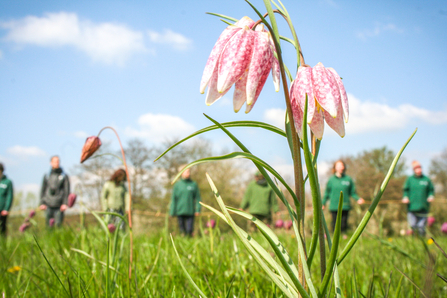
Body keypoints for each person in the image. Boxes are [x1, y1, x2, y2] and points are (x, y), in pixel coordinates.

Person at [322, 160, 364, 233]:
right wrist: (323, 203)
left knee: (344, 223)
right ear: (335, 167)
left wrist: (358, 199)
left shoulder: (348, 179)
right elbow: (327, 193)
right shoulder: (331, 180)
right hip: (334, 206)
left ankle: (343, 237)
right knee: (335, 223)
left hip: (345, 205)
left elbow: (352, 192)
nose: (341, 167)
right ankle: (334, 239)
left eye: (342, 165)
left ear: (344, 167)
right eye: (338, 166)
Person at [402, 161, 435, 236]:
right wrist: (405, 197)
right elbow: (406, 190)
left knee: (421, 226)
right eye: (416, 168)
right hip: (412, 207)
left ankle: (421, 240)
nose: (418, 169)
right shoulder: (410, 179)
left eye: (419, 167)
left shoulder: (426, 179)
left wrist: (431, 195)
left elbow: (431, 190)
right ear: (413, 169)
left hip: (423, 206)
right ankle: (413, 241)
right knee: (412, 225)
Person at [169, 166, 201, 237]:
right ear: (181, 173)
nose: (188, 173)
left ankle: (189, 241)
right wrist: (172, 212)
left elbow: (198, 198)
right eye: (186, 171)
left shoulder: (193, 184)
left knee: (189, 230)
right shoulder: (177, 185)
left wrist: (198, 209)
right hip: (180, 211)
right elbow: (174, 199)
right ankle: (183, 241)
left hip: (190, 211)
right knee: (182, 229)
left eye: (189, 171)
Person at [39, 156, 70, 227]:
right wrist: (42, 203)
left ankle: (58, 238)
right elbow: (43, 190)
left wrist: (65, 203)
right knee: (48, 225)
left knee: (58, 224)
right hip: (48, 204)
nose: (57, 163)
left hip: (59, 205)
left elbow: (66, 190)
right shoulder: (47, 176)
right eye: (55, 161)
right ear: (51, 163)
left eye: (58, 161)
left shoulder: (64, 176)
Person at [0, 163, 13, 237]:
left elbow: (9, 196)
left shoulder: (7, 182)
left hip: (2, 211)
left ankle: (2, 244)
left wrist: (6, 209)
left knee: (2, 227)